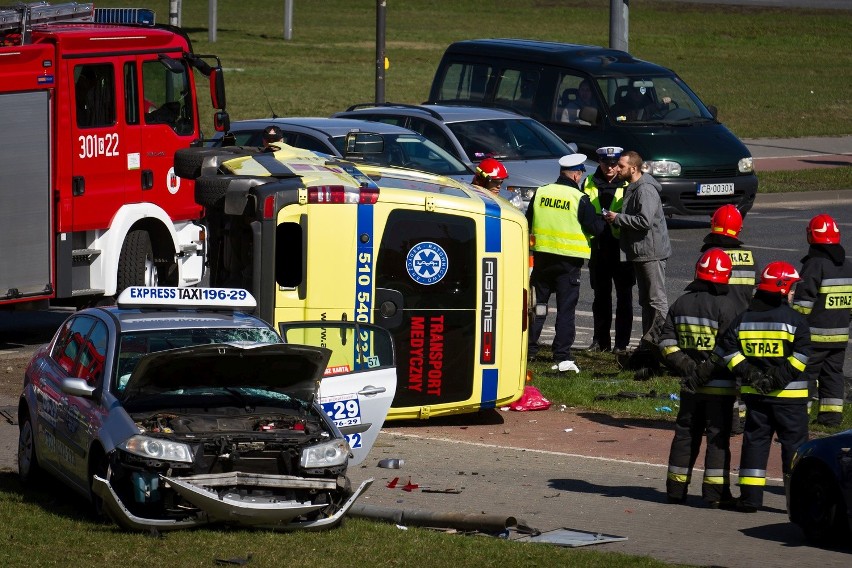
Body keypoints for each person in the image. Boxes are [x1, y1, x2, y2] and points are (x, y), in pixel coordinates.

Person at [712, 261, 811, 513]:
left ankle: (750, 499)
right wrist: (775, 380)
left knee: (755, 444)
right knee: (795, 450)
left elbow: (727, 352)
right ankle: (798, 504)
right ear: (781, 289)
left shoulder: (742, 320)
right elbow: (800, 358)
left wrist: (753, 376)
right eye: (791, 288)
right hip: (790, 398)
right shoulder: (796, 321)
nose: (792, 293)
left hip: (756, 396)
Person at [659, 248, 740, 508]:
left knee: (685, 435)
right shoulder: (728, 307)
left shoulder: (681, 303)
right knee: (717, 439)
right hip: (720, 388)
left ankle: (675, 490)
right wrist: (706, 370)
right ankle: (715, 495)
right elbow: (730, 348)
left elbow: (667, 343)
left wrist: (687, 367)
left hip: (690, 387)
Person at [527, 153, 604, 373]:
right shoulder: (579, 198)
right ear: (577, 174)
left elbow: (529, 219)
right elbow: (594, 228)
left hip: (542, 259)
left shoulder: (541, 192)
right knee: (565, 310)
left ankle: (530, 350)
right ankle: (561, 354)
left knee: (538, 307)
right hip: (568, 263)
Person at [604, 150, 671, 377]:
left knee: (656, 301)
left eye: (621, 166)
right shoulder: (633, 188)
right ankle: (649, 350)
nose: (617, 169)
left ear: (633, 168)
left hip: (650, 253)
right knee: (647, 302)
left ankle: (662, 348)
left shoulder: (645, 190)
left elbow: (644, 221)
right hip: (641, 253)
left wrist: (617, 218)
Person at [701, 204, 758, 435]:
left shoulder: (711, 255)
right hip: (743, 322)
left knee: (717, 373)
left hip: (717, 323)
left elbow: (703, 293)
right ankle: (740, 419)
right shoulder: (749, 257)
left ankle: (722, 419)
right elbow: (753, 293)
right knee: (740, 374)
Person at [792, 214, 852, 427]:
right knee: (833, 374)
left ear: (811, 236)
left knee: (806, 374)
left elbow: (803, 304)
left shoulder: (814, 264)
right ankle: (831, 417)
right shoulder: (847, 265)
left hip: (814, 337)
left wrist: (794, 325)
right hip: (840, 335)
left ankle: (800, 417)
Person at [581, 146, 634, 353]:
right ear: (599, 163)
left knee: (624, 298)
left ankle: (621, 343)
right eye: (606, 164)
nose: (610, 168)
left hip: (622, 249)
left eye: (614, 164)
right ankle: (600, 341)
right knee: (600, 298)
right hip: (599, 248)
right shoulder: (589, 182)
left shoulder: (629, 183)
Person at [701, 205, 757, 313]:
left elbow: (699, 293)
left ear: (713, 224)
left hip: (715, 317)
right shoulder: (749, 256)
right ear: (739, 228)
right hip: (742, 318)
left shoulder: (708, 256)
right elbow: (757, 291)